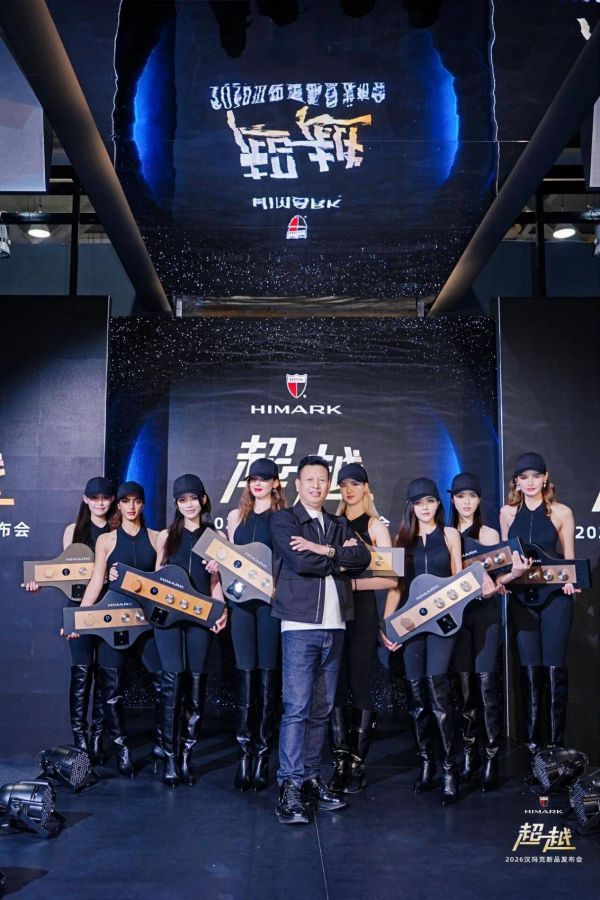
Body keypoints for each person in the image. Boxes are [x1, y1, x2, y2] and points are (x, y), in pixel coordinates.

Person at [269, 455, 372, 825]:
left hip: (335, 625)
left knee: (320, 710)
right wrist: (337, 560)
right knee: (297, 708)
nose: (315, 485)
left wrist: (325, 550)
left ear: (328, 486)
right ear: (298, 485)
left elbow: (362, 557)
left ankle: (311, 778)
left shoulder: (337, 523)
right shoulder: (285, 520)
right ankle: (290, 785)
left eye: (321, 480)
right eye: (309, 479)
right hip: (299, 626)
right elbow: (301, 564)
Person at [381, 477, 464, 805]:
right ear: (411, 507)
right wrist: (387, 626)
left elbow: (459, 580)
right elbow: (396, 588)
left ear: (438, 504)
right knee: (417, 698)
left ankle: (449, 770)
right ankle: (427, 764)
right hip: (412, 625)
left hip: (444, 623)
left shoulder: (450, 535)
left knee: (438, 690)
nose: (425, 507)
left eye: (430, 501)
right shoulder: (401, 539)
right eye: (419, 503)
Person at [22, 476, 115, 763]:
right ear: (86, 499)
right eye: (94, 498)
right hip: (78, 607)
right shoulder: (73, 531)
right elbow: (66, 574)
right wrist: (39, 581)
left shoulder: (118, 530)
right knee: (82, 672)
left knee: (107, 676)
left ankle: (98, 738)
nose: (100, 503)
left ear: (112, 500)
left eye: (105, 497)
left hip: (112, 609)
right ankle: (81, 740)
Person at [72, 481, 159, 777]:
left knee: (165, 681)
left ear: (143, 504)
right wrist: (80, 618)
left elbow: (162, 582)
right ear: (119, 505)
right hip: (114, 621)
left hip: (147, 622)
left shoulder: (158, 537)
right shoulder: (106, 541)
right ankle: (122, 748)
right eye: (125, 501)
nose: (131, 507)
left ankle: (164, 745)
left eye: (137, 501)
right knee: (111, 688)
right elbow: (97, 581)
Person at [449, 472, 528, 792]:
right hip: (458, 618)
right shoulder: (447, 533)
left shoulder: (489, 532)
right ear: (452, 499)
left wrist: (508, 578)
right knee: (465, 689)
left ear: (479, 499)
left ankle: (492, 757)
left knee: (486, 688)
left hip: (485, 616)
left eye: (472, 496)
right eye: (460, 496)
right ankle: (470, 755)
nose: (466, 502)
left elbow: (499, 578)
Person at [499, 452, 579, 760]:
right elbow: (504, 560)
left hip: (556, 598)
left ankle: (556, 751)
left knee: (553, 670)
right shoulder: (507, 513)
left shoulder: (562, 512)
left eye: (536, 476)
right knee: (529, 671)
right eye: (524, 477)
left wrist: (571, 581)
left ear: (545, 478)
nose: (530, 482)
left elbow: (569, 560)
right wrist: (507, 578)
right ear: (516, 482)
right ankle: (533, 751)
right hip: (522, 599)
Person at [328, 462, 397, 794]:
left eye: (355, 483)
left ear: (366, 487)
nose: (349, 490)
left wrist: (352, 584)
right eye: (343, 485)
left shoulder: (375, 526)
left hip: (363, 611)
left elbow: (390, 579)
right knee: (336, 683)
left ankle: (358, 762)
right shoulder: (333, 524)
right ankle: (340, 761)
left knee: (360, 682)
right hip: (333, 611)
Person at [154, 474, 227, 787]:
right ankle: (170, 757)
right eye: (182, 500)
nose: (188, 505)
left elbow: (217, 584)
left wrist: (220, 610)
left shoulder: (216, 537)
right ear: (176, 504)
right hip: (167, 620)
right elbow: (156, 579)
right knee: (172, 686)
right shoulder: (166, 536)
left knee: (196, 686)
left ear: (203, 500)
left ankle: (186, 755)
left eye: (193, 499)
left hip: (200, 618)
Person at [224, 458, 286, 792]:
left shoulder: (284, 518)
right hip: (240, 605)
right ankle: (244, 756)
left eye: (264, 478)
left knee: (267, 676)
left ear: (276, 483)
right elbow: (227, 561)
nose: (257, 483)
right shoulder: (236, 517)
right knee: (245, 675)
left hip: (270, 605)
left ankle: (262, 756)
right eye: (253, 478)